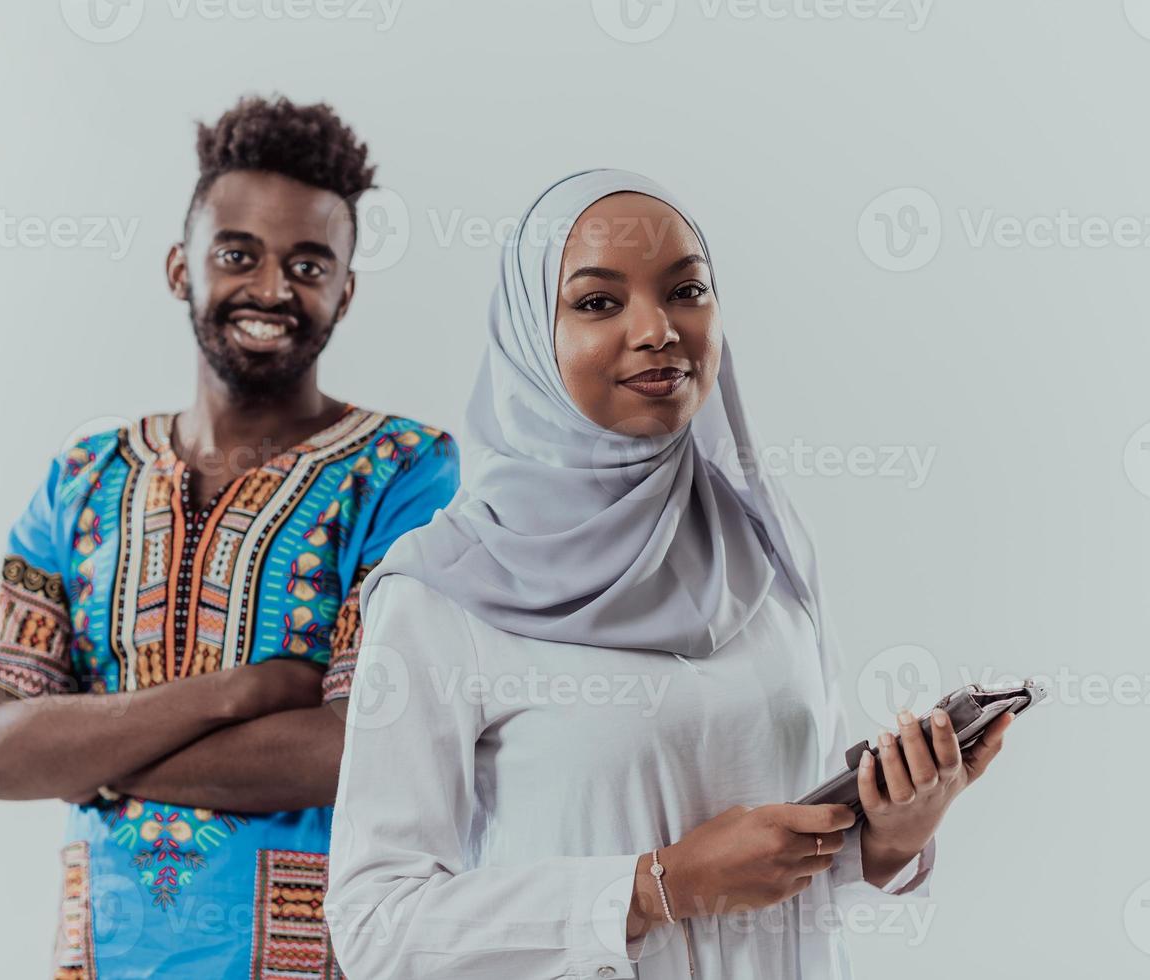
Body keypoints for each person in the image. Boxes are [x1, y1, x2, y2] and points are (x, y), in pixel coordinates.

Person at [325, 169, 1013, 979]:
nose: (658, 329)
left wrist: (893, 835)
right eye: (597, 302)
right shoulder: (440, 594)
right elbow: (374, 928)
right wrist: (653, 890)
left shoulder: (763, 545)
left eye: (687, 290)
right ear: (527, 336)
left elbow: (796, 874)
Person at [0, 95, 458, 978]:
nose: (270, 289)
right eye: (238, 254)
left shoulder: (406, 470)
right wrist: (240, 692)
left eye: (309, 263)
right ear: (178, 268)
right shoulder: (82, 477)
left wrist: (85, 755)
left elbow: (357, 750)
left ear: (347, 290)